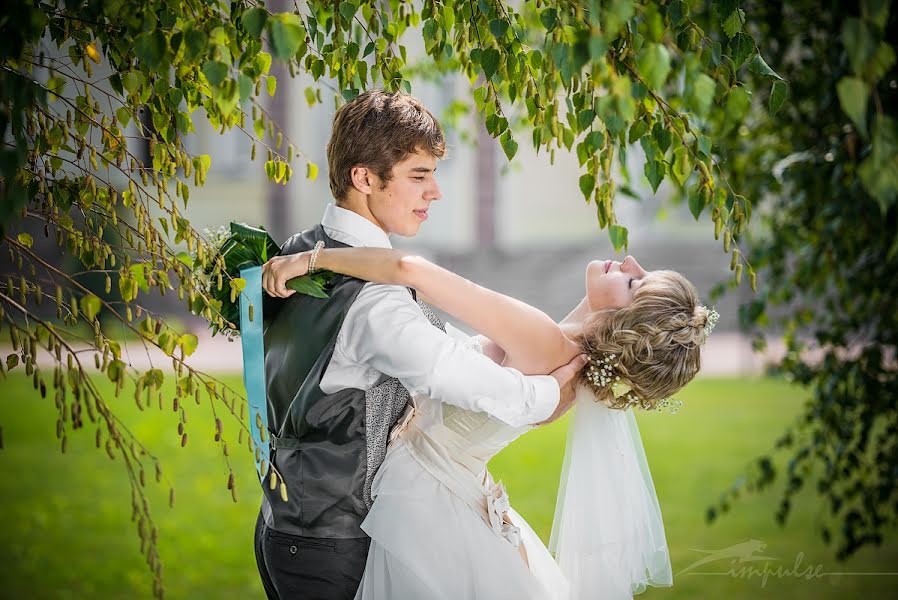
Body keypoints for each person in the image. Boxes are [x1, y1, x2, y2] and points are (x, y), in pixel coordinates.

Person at [252, 89, 586, 600]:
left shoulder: (300, 251)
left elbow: (428, 343)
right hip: (334, 543)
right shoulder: (370, 300)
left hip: (282, 527)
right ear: (364, 177)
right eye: (418, 176)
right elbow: (441, 368)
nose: (435, 193)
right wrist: (543, 395)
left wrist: (501, 350)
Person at [263, 246, 713, 599]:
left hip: (421, 499)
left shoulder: (541, 340)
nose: (629, 261)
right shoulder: (573, 377)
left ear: (623, 319)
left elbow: (408, 268)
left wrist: (312, 259)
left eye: (634, 282)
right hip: (458, 498)